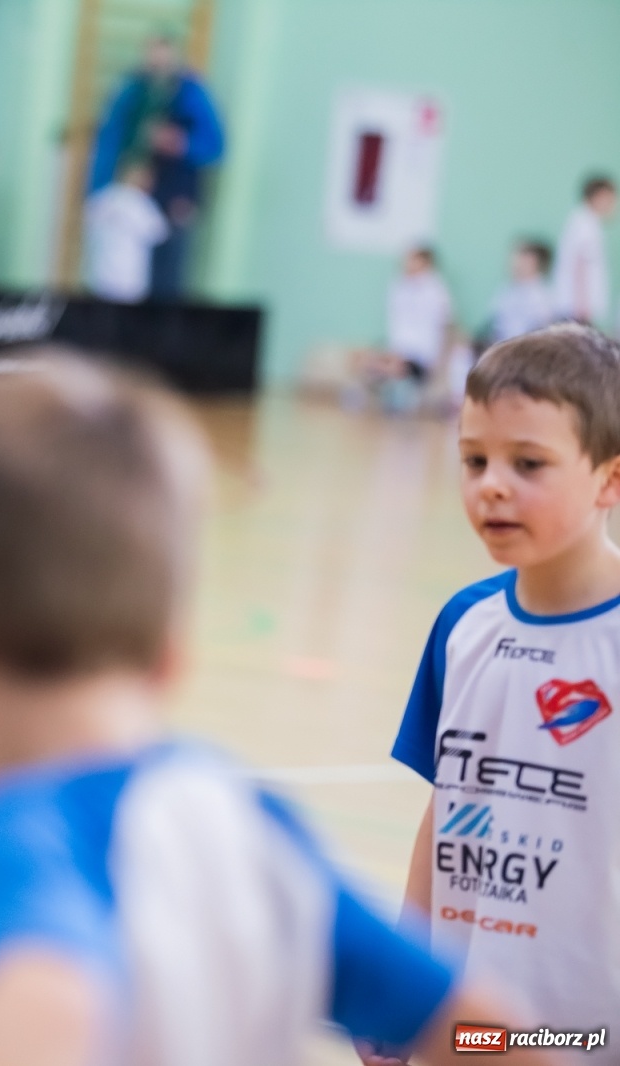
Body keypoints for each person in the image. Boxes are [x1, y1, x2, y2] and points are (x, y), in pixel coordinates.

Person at [0, 361, 551, 1066]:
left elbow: (44, 1002)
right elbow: (488, 1027)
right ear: (169, 657)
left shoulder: (9, 845)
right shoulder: (250, 827)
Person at [386, 324, 620, 1060]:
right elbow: (448, 806)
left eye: (528, 463)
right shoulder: (465, 624)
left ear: (610, 480)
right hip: (468, 1026)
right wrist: (403, 977)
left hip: (587, 1029)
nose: (491, 484)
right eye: (474, 459)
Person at [88, 33, 224, 298]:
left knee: (167, 277)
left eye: (164, 55)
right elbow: (110, 140)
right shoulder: (133, 92)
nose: (159, 62)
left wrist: (178, 142)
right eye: (154, 55)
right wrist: (98, 189)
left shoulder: (190, 93)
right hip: (134, 193)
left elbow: (215, 145)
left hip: (174, 195)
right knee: (121, 273)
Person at [351, 246, 453, 413]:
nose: (407, 263)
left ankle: (391, 388)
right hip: (396, 350)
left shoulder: (437, 292)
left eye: (412, 259)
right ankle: (377, 385)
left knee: (395, 366)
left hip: (420, 357)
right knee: (360, 358)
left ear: (425, 263)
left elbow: (443, 331)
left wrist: (439, 365)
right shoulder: (399, 286)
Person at [84, 159, 168, 302]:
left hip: (102, 274)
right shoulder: (141, 204)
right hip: (130, 278)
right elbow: (160, 233)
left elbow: (87, 217)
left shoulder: (105, 197)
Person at [552, 175, 616, 326]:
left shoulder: (584, 221)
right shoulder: (585, 224)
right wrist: (582, 308)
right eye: (611, 200)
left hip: (576, 307)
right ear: (600, 196)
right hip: (577, 309)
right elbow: (580, 266)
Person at [488, 239, 556, 345]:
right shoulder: (507, 289)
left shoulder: (542, 295)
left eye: (522, 258)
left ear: (533, 262)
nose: (515, 263)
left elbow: (544, 327)